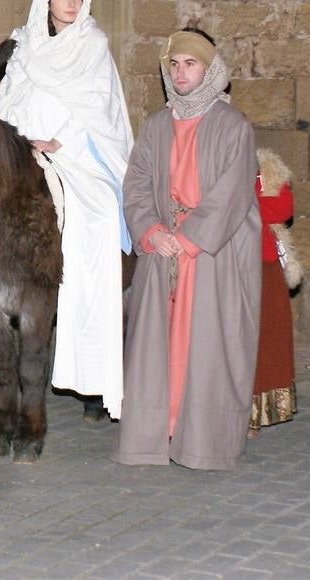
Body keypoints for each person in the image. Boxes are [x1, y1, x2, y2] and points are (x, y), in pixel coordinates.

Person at [0, 0, 132, 423]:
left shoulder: (93, 44)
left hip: (75, 151)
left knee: (99, 220)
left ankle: (94, 372)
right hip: (25, 147)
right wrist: (17, 139)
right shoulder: (24, 44)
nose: (70, 2)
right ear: (46, 0)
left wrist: (60, 139)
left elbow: (100, 106)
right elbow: (7, 99)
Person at [115, 28, 261, 470]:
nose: (180, 72)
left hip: (214, 254)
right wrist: (151, 230)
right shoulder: (157, 126)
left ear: (209, 69)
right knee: (156, 345)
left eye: (190, 64)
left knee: (208, 344)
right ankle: (155, 436)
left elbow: (232, 192)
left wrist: (188, 238)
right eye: (174, 64)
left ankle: (202, 440)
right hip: (162, 249)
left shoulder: (233, 125)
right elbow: (136, 185)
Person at [249, 147, 301, 438]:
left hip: (261, 262)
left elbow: (282, 208)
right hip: (218, 264)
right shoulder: (208, 165)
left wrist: (241, 205)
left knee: (264, 342)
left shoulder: (267, 167)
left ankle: (253, 414)